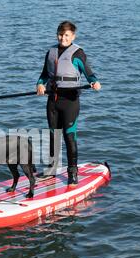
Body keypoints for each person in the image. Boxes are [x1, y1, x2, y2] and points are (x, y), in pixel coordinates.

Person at [36, 20, 101, 185]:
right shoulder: (50, 52)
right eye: (60, 34)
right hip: (53, 101)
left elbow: (89, 73)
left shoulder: (78, 53)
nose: (62, 38)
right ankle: (51, 170)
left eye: (66, 35)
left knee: (69, 136)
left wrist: (94, 82)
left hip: (70, 101)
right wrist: (40, 84)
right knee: (53, 136)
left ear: (73, 36)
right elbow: (44, 74)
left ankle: (72, 173)